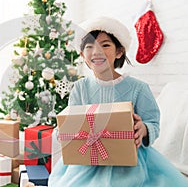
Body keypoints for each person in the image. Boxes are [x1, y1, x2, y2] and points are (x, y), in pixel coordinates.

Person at [48, 17, 188, 186]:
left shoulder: (138, 88)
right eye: (89, 47)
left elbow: (153, 123)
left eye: (105, 45)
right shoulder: (80, 88)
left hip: (128, 162)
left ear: (119, 51)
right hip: (88, 162)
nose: (96, 51)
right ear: (82, 55)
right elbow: (72, 118)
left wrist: (143, 129)